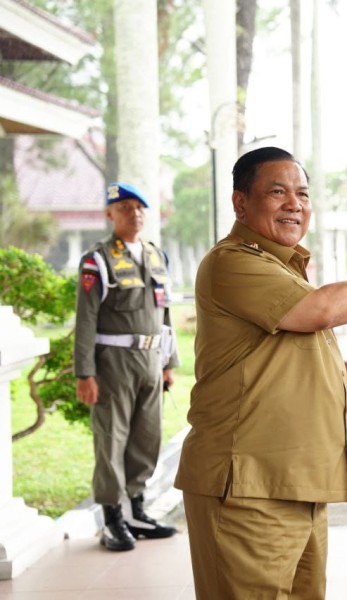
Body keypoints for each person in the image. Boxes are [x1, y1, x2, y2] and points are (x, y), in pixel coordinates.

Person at [174, 147, 347, 600]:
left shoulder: (279, 265)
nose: (295, 203)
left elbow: (272, 359)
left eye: (303, 193)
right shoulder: (232, 261)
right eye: (277, 192)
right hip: (248, 489)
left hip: (296, 483)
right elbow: (320, 311)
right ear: (240, 202)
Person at [74, 182, 180, 552]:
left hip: (151, 360)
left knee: (147, 437)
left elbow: (164, 313)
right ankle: (112, 520)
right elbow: (85, 320)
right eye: (125, 207)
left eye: (140, 207)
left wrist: (169, 362)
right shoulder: (98, 259)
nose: (134, 213)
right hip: (113, 363)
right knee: (111, 440)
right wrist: (84, 373)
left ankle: (137, 510)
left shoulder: (155, 256)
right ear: (110, 214)